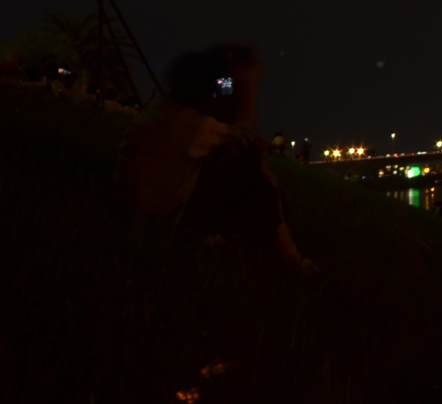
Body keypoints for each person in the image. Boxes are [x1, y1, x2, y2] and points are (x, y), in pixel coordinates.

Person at [118, 44, 306, 266]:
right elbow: (245, 138)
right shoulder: (188, 123)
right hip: (156, 219)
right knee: (245, 158)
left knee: (239, 158)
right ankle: (286, 255)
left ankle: (261, 240)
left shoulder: (161, 112)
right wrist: (248, 87)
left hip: (130, 208)